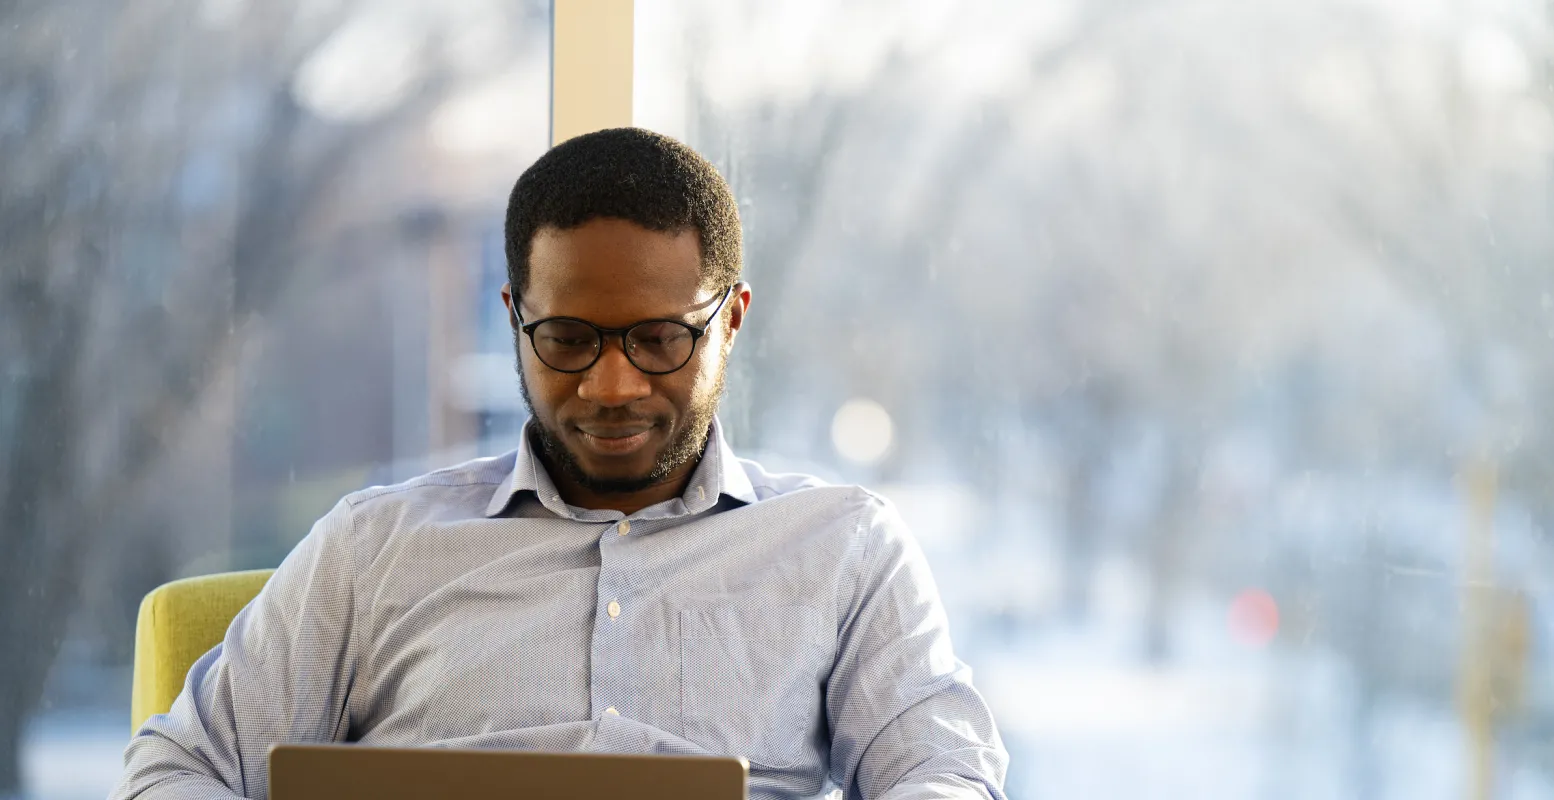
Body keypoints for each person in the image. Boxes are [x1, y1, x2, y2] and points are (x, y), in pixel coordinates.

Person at [112, 128, 1008, 800]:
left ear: (729, 320)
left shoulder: (843, 547)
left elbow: (946, 773)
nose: (611, 386)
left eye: (659, 340)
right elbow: (179, 766)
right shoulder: (374, 547)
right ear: (513, 317)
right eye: (568, 340)